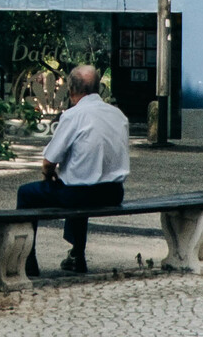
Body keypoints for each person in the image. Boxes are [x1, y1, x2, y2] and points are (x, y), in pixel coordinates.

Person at [23, 62, 128, 275]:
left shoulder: (73, 115)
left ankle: (27, 260)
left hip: (80, 194)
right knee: (80, 179)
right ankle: (77, 255)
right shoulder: (118, 115)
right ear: (97, 88)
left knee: (27, 193)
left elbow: (49, 161)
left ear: (71, 91)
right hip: (113, 193)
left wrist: (48, 176)